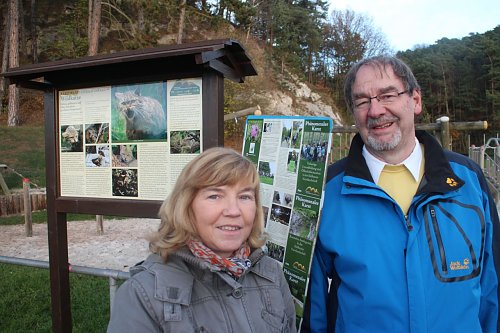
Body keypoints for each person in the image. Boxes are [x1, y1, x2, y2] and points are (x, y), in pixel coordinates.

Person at [301, 56, 500, 332]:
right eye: (362, 101)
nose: (375, 110)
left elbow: (493, 288)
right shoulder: (328, 191)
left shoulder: (468, 180)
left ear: (415, 101)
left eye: (387, 95)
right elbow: (314, 309)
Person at [107, 147, 296, 333]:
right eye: (215, 196)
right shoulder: (142, 294)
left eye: (245, 196)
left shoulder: (271, 274)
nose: (233, 210)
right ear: (186, 206)